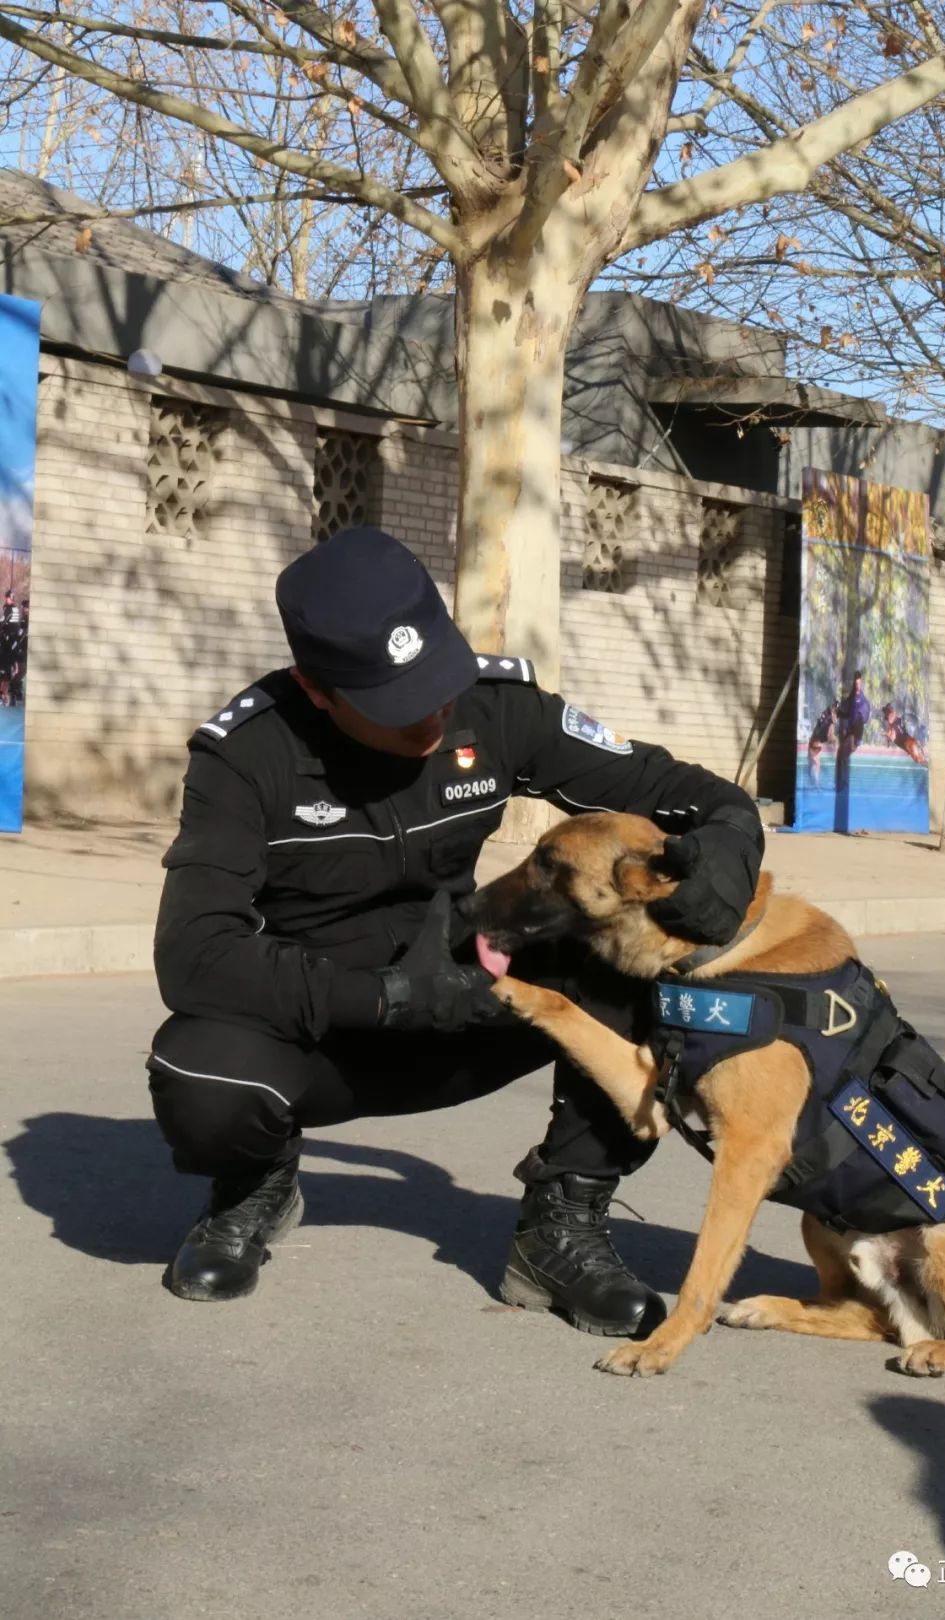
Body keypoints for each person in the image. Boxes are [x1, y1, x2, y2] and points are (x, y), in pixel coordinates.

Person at [148, 527, 763, 1337]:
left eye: (438, 682)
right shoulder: (246, 756)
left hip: (473, 998)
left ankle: (559, 1226)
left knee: (640, 953)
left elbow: (689, 793)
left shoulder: (497, 706)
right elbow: (194, 955)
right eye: (397, 706)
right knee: (202, 1079)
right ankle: (253, 1187)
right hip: (325, 1029)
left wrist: (727, 846)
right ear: (317, 689)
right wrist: (386, 999)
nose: (433, 714)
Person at [881, 701, 927, 766]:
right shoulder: (897, 722)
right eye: (888, 716)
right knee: (918, 759)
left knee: (918, 759)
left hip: (908, 743)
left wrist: (888, 736)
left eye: (891, 714)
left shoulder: (894, 725)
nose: (889, 717)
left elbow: (893, 736)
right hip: (909, 742)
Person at [806, 698, 838, 787]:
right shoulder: (829, 721)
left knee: (813, 763)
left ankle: (814, 781)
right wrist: (834, 744)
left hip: (814, 741)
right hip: (816, 742)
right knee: (816, 764)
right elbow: (829, 736)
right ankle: (816, 783)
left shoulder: (825, 714)